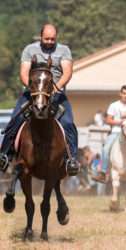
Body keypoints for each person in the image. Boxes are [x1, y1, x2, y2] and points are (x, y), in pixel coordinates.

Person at [0, 24, 79, 174]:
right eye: (47, 38)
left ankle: (72, 159)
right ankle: (4, 155)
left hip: (56, 94)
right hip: (33, 92)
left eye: (53, 39)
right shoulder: (30, 50)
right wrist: (33, 89)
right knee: (15, 120)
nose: (50, 41)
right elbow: (24, 73)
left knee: (68, 123)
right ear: (40, 37)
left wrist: (56, 89)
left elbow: (67, 72)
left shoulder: (64, 50)